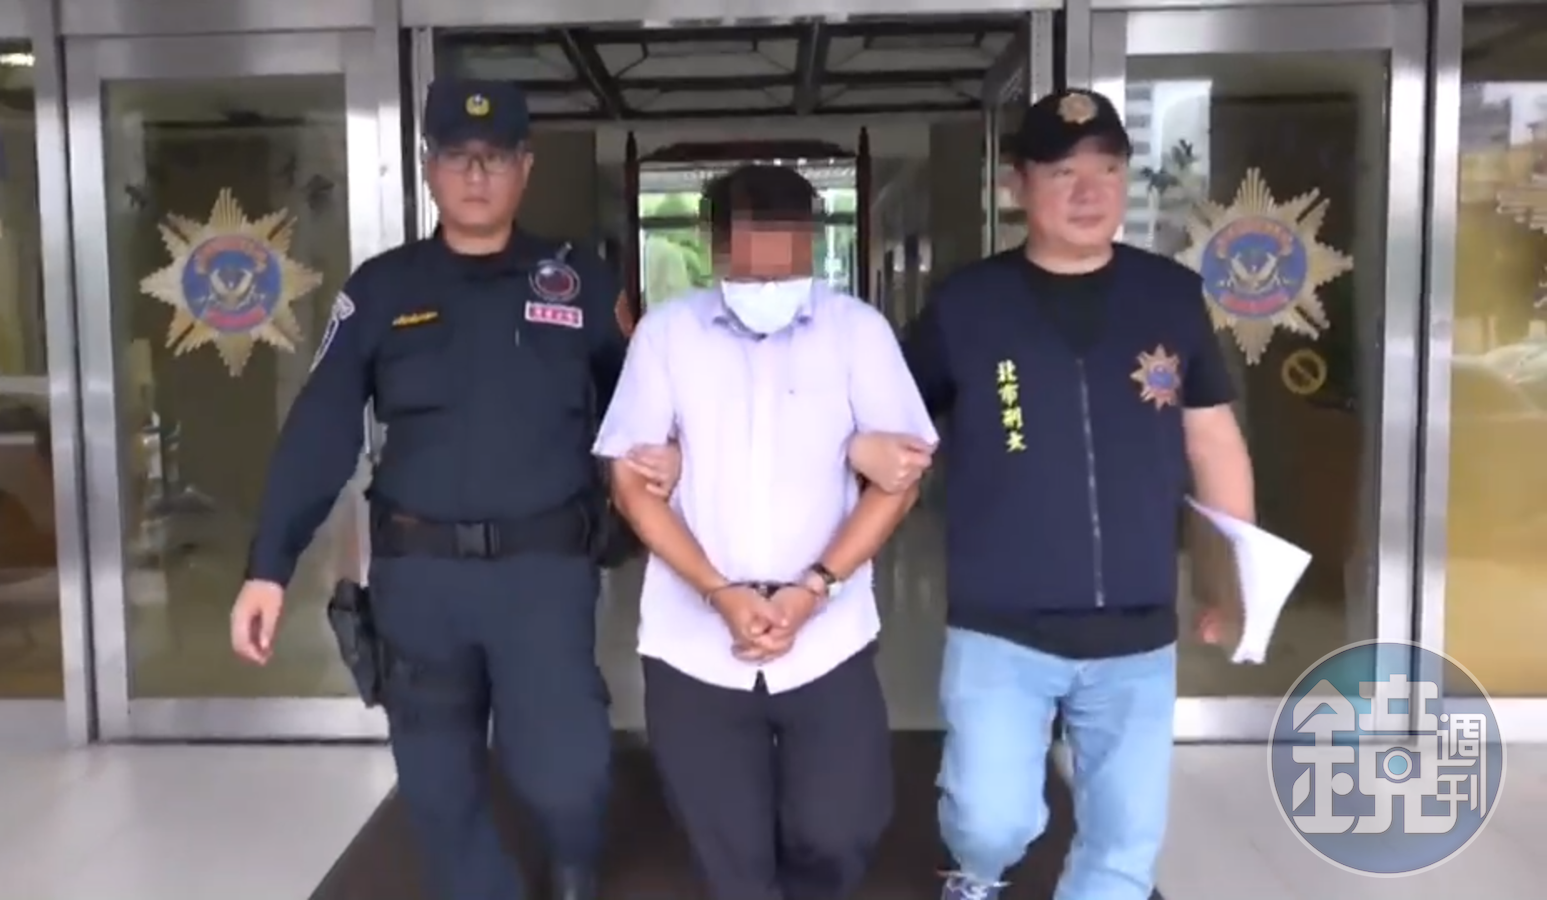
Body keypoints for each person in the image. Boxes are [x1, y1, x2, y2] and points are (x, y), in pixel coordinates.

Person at [228, 78, 674, 900]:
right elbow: (321, 428)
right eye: (459, 156)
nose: (476, 174)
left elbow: (646, 403)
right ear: (429, 167)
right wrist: (268, 566)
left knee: (569, 772)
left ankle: (573, 863)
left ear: (525, 168)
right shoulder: (381, 290)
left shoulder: (577, 281)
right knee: (437, 786)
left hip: (544, 576)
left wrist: (665, 464)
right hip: (421, 580)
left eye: (496, 157)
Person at [850, 88, 1255, 900]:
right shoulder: (968, 304)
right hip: (1002, 625)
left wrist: (1235, 573)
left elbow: (1211, 438)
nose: (1089, 191)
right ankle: (976, 874)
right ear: (1017, 185)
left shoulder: (1169, 296)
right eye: (1063, 172)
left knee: (1124, 841)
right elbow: (892, 417)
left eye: (1108, 170)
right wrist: (862, 447)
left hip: (1137, 627)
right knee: (989, 819)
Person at [594, 164, 938, 900]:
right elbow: (629, 485)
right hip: (695, 642)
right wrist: (718, 592)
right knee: (729, 849)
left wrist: (815, 588)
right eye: (753, 273)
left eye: (788, 269)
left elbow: (901, 481)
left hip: (827, 635)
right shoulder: (666, 335)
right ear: (715, 249)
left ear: (812, 246)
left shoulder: (858, 332)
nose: (771, 287)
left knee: (842, 825)